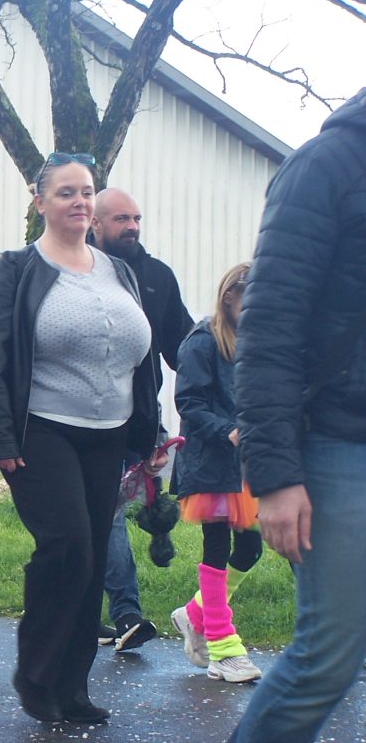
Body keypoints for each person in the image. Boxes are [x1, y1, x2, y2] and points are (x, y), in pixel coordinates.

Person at [0, 153, 161, 724]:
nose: (80, 202)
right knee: (68, 548)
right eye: (66, 192)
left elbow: (139, 360)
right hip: (39, 430)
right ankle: (37, 674)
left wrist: (151, 431)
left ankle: (72, 688)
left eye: (87, 192)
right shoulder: (16, 268)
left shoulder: (119, 271)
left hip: (108, 434)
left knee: (91, 563)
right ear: (39, 200)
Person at [229, 89, 366, 742]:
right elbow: (269, 329)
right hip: (343, 445)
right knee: (326, 661)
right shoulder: (329, 164)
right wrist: (276, 474)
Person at [89, 188, 194, 651]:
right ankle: (127, 612)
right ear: (95, 224)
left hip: (142, 419)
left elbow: (182, 348)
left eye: (136, 218)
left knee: (107, 514)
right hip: (90, 420)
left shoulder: (157, 277)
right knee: (106, 513)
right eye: (120, 219)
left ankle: (97, 612)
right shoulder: (77, 275)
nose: (132, 226)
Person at [169, 263, 262, 683]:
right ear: (230, 297)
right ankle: (223, 648)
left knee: (250, 551)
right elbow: (188, 402)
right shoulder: (202, 341)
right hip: (210, 460)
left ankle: (194, 614)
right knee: (217, 546)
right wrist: (228, 432)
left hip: (247, 464)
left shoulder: (257, 339)